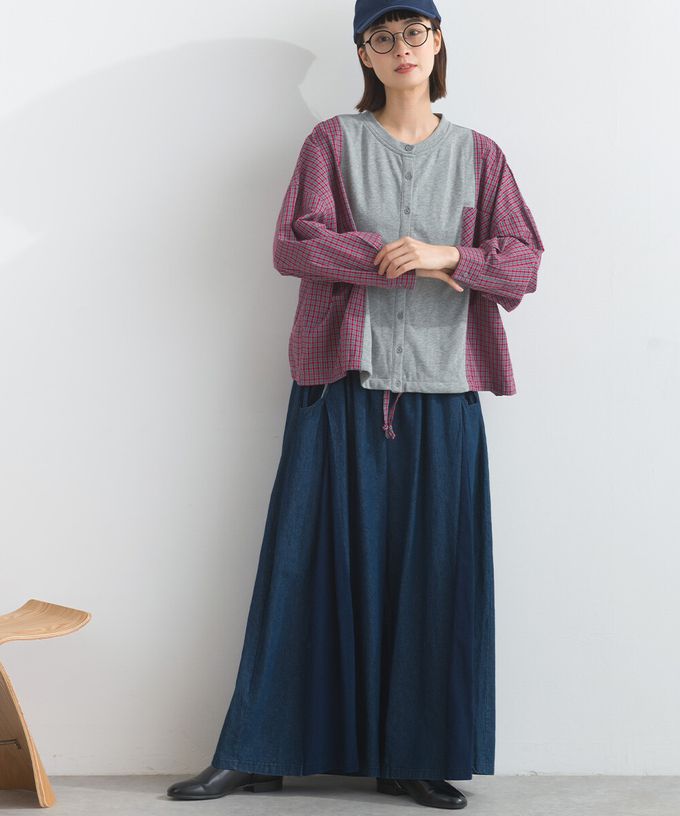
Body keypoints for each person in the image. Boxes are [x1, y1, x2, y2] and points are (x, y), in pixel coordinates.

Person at [167, 0, 545, 809]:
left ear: (437, 43)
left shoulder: (480, 156)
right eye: (382, 37)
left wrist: (448, 254)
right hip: (340, 384)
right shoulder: (331, 144)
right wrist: (381, 254)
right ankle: (259, 750)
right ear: (363, 55)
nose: (400, 47)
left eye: (414, 32)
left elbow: (521, 264)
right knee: (301, 565)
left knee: (435, 576)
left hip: (443, 392)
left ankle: (412, 756)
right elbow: (293, 244)